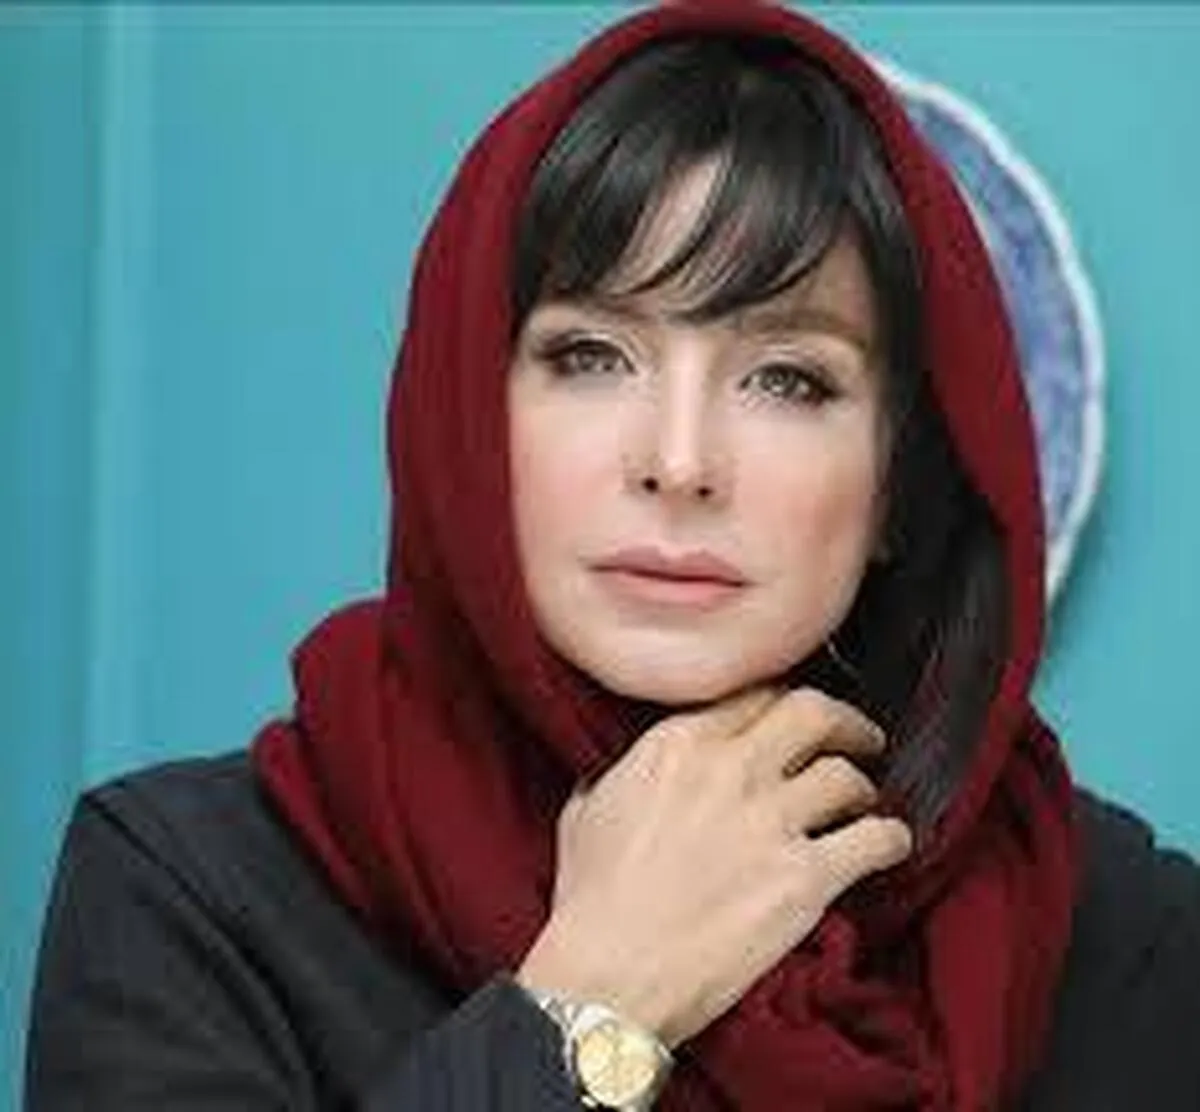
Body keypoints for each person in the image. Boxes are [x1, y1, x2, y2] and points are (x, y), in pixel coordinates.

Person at [24, 1, 1200, 1108]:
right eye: (590, 356)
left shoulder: (1116, 932)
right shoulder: (190, 894)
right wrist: (597, 998)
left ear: (900, 480)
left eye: (788, 379)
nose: (678, 462)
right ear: (467, 418)